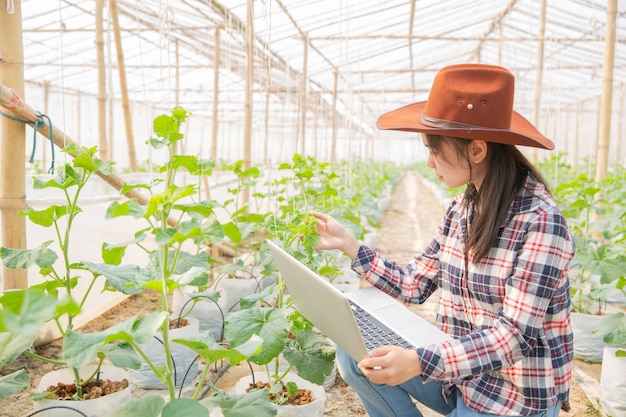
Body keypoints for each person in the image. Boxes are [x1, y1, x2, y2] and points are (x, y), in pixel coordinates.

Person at [310, 63, 575, 417]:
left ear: (477, 151)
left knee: (395, 361)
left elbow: (513, 337)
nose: (429, 162)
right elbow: (413, 285)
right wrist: (350, 244)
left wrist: (419, 361)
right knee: (357, 352)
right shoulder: (462, 208)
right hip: (461, 378)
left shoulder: (541, 223)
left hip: (512, 397)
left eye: (435, 150)